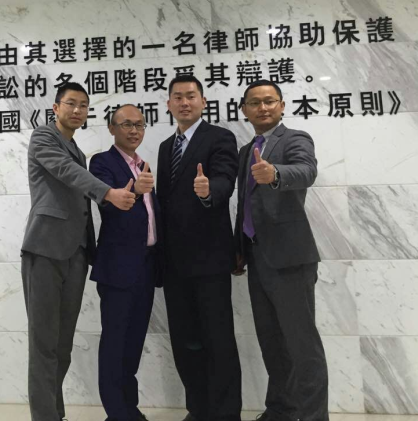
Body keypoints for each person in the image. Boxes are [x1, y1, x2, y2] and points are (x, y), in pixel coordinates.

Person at [21, 82, 136, 421]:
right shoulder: (44, 137)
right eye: (71, 103)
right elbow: (65, 171)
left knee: (62, 346)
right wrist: (109, 193)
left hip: (76, 253)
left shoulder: (77, 150)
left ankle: (55, 414)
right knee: (44, 344)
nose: (77, 110)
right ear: (56, 108)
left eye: (83, 105)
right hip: (45, 248)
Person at [234, 79, 328, 421]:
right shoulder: (246, 151)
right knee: (272, 341)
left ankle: (314, 416)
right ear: (244, 110)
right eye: (255, 102)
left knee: (302, 344)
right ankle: (281, 410)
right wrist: (239, 247)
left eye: (270, 101)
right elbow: (244, 204)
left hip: (290, 258)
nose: (263, 107)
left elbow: (307, 171)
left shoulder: (295, 139)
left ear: (282, 105)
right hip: (257, 256)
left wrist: (275, 174)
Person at [156, 75, 242, 421]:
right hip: (174, 263)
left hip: (209, 260)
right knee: (185, 341)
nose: (184, 102)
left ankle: (225, 414)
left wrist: (209, 191)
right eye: (177, 97)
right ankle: (198, 409)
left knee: (218, 340)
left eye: (191, 96)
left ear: (203, 102)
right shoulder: (165, 147)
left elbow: (226, 179)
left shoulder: (220, 137)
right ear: (169, 104)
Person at [89, 104, 160, 421]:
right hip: (118, 267)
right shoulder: (101, 163)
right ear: (112, 128)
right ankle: (117, 414)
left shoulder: (143, 165)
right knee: (115, 344)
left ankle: (129, 409)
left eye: (139, 125)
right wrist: (135, 193)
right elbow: (109, 204)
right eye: (126, 124)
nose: (134, 130)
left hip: (146, 266)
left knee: (133, 344)